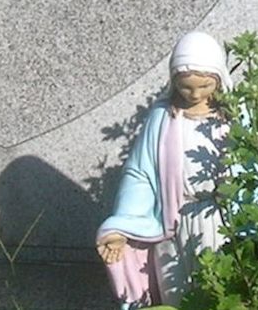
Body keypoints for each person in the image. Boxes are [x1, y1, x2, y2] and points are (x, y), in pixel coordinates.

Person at [96, 30, 232, 309]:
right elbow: (140, 174)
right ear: (173, 81)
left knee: (220, 291)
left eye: (205, 86)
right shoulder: (163, 118)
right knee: (175, 292)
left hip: (218, 220)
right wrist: (123, 225)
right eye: (186, 87)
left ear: (219, 79)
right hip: (173, 221)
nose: (195, 94)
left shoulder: (232, 117)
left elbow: (253, 171)